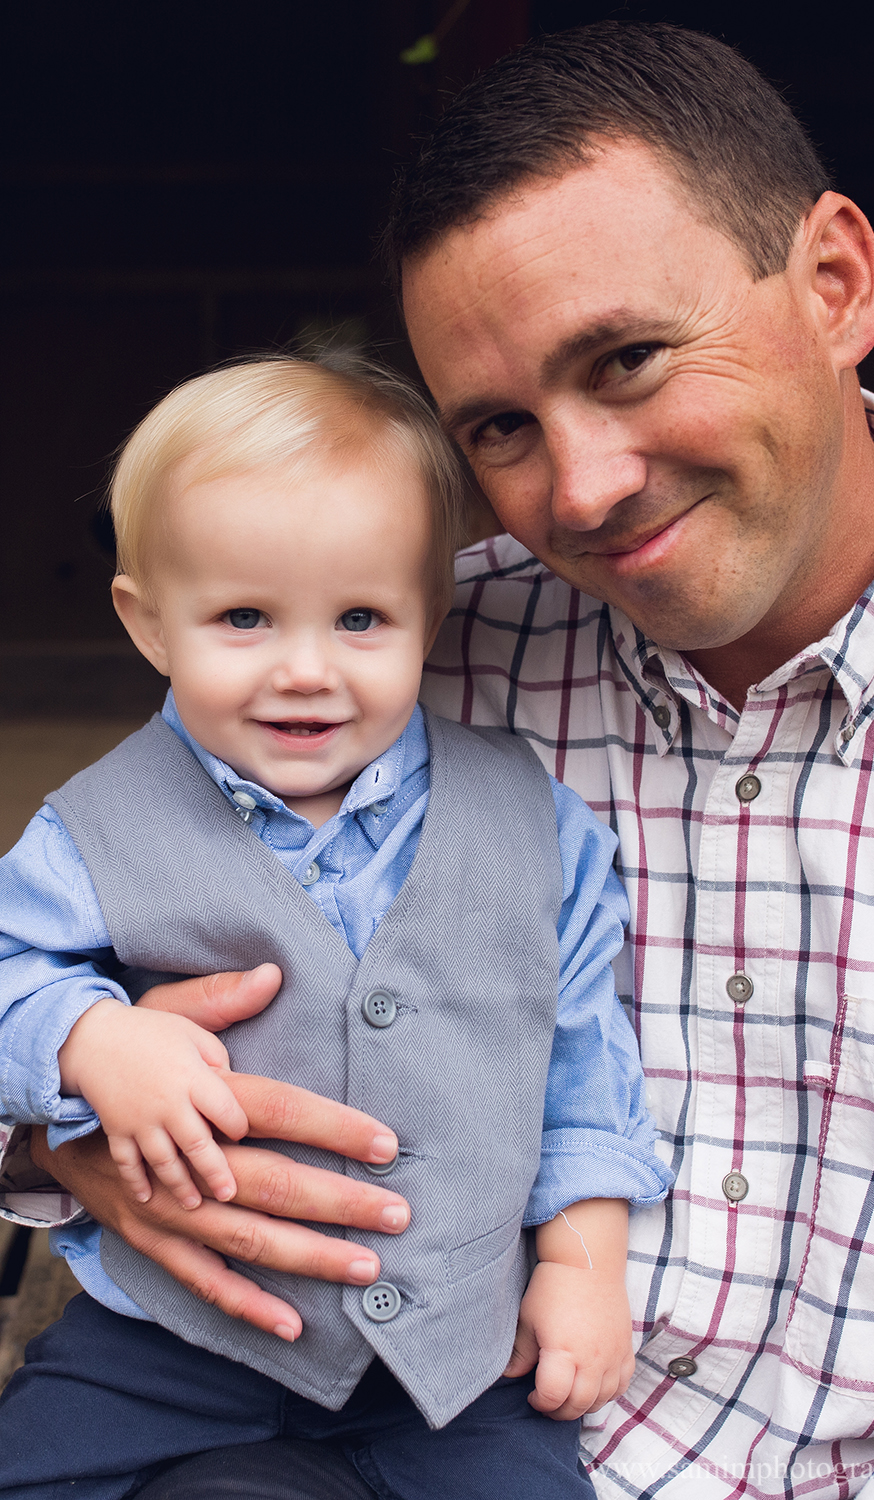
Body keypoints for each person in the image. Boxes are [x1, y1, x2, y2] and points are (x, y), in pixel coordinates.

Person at [2, 17, 874, 1498]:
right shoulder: (385, 664)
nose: (584, 487)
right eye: (501, 428)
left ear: (835, 283)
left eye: (632, 358)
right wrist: (64, 1135)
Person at [0, 354, 671, 1499]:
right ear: (150, 622)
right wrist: (85, 1036)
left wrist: (580, 1260)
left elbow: (577, 1060)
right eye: (244, 618)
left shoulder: (532, 825)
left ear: (431, 615)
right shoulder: (93, 830)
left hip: (458, 1365)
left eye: (361, 618)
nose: (305, 670)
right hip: (172, 1336)